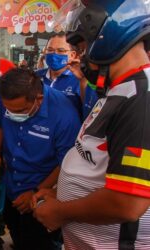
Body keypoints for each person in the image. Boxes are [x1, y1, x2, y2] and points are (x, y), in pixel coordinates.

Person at [34, 0, 150, 249]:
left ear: (107, 36)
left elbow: (128, 203)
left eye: (82, 45)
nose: (80, 56)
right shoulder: (120, 89)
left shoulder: (141, 98)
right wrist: (59, 194)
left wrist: (61, 211)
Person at [0, 68, 80, 250]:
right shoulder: (10, 98)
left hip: (41, 193)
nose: (12, 114)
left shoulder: (64, 115)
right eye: (8, 110)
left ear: (39, 99)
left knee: (37, 241)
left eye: (19, 110)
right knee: (15, 231)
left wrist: (37, 191)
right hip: (11, 185)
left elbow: (67, 163)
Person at [36, 33, 81, 116]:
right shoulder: (35, 77)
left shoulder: (80, 80)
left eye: (60, 51)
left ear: (72, 55)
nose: (54, 54)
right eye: (49, 50)